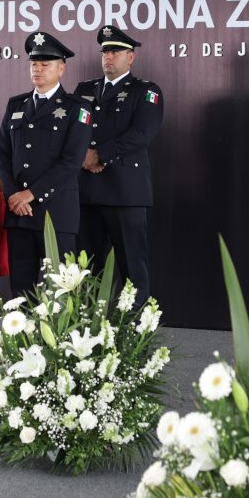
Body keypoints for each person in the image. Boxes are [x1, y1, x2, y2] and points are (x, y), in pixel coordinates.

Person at [72, 25, 164, 306]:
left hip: (125, 193)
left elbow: (142, 133)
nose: (108, 57)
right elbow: (72, 131)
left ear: (130, 57)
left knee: (132, 269)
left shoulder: (146, 91)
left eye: (115, 51)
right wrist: (83, 156)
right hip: (86, 191)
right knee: (87, 271)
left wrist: (98, 154)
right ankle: (89, 336)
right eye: (105, 51)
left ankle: (136, 336)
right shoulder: (84, 90)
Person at [0, 32, 91, 297]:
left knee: (61, 293)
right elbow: (2, 153)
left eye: (45, 64)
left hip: (56, 214)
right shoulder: (16, 105)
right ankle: (23, 339)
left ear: (61, 68)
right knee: (21, 294)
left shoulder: (77, 109)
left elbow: (71, 162)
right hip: (19, 214)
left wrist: (31, 194)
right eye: (34, 64)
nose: (38, 69)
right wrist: (13, 195)